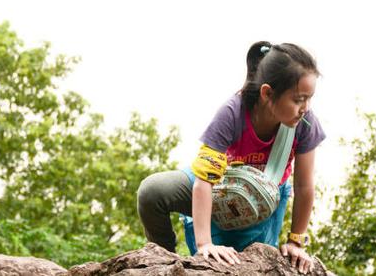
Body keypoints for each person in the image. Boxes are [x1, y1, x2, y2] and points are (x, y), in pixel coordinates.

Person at [137, 41, 325, 274]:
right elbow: (204, 180)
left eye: (309, 98)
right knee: (152, 192)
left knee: (243, 263)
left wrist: (296, 241)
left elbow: (304, 185)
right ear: (267, 93)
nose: (305, 107)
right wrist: (205, 244)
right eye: (298, 99)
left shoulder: (304, 124)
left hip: (261, 200)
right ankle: (162, 260)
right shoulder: (232, 113)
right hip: (217, 184)